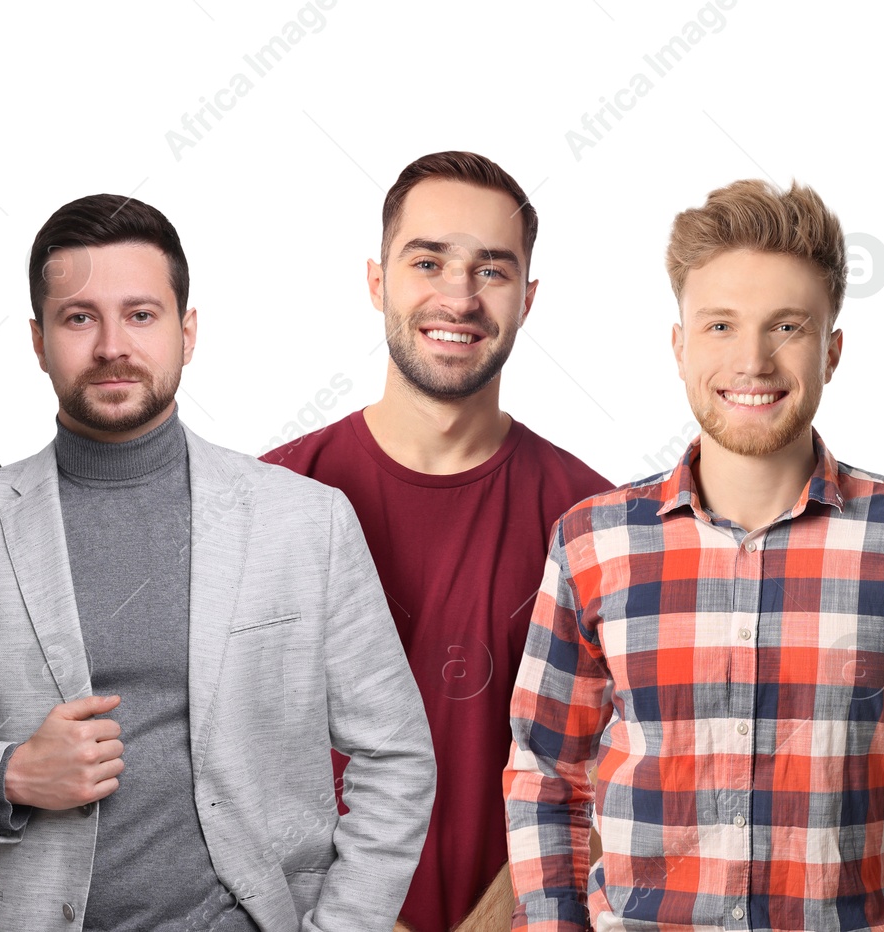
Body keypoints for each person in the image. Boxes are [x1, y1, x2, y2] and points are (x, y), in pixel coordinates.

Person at [0, 193, 436, 931]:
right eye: (80, 317)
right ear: (37, 339)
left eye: (141, 315)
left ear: (187, 332)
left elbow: (397, 759)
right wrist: (10, 773)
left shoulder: (304, 522)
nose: (112, 344)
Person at [505, 179, 884, 931]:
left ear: (831, 350)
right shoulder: (592, 542)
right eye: (720, 326)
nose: (753, 360)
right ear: (679, 347)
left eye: (786, 327)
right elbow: (545, 775)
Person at [262, 151, 610, 932]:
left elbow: (623, 765)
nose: (459, 296)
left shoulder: (594, 520)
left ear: (527, 298)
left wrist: (499, 918)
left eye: (492, 270)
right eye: (429, 261)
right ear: (377, 280)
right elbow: (208, 754)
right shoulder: (267, 502)